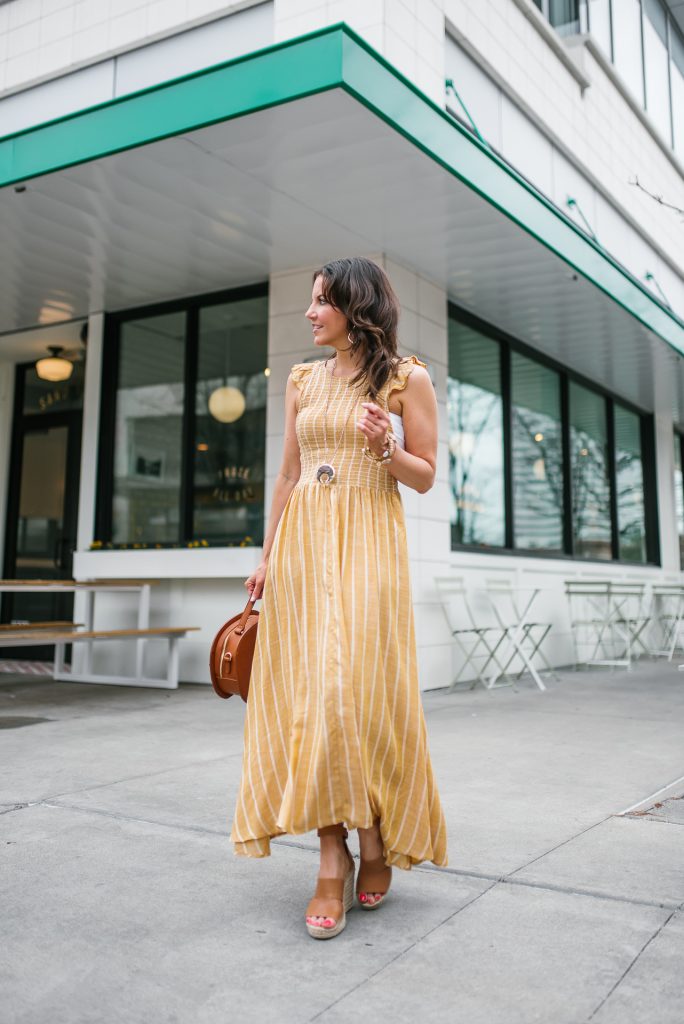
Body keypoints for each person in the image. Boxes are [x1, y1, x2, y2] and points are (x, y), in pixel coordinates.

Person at [231, 256, 448, 940]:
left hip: (369, 549)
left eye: (321, 301)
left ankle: (376, 834)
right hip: (303, 548)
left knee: (356, 692)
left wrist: (387, 449)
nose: (309, 313)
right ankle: (333, 853)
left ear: (356, 310)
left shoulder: (407, 379)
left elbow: (426, 477)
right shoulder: (300, 381)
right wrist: (267, 557)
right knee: (311, 696)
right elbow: (289, 475)